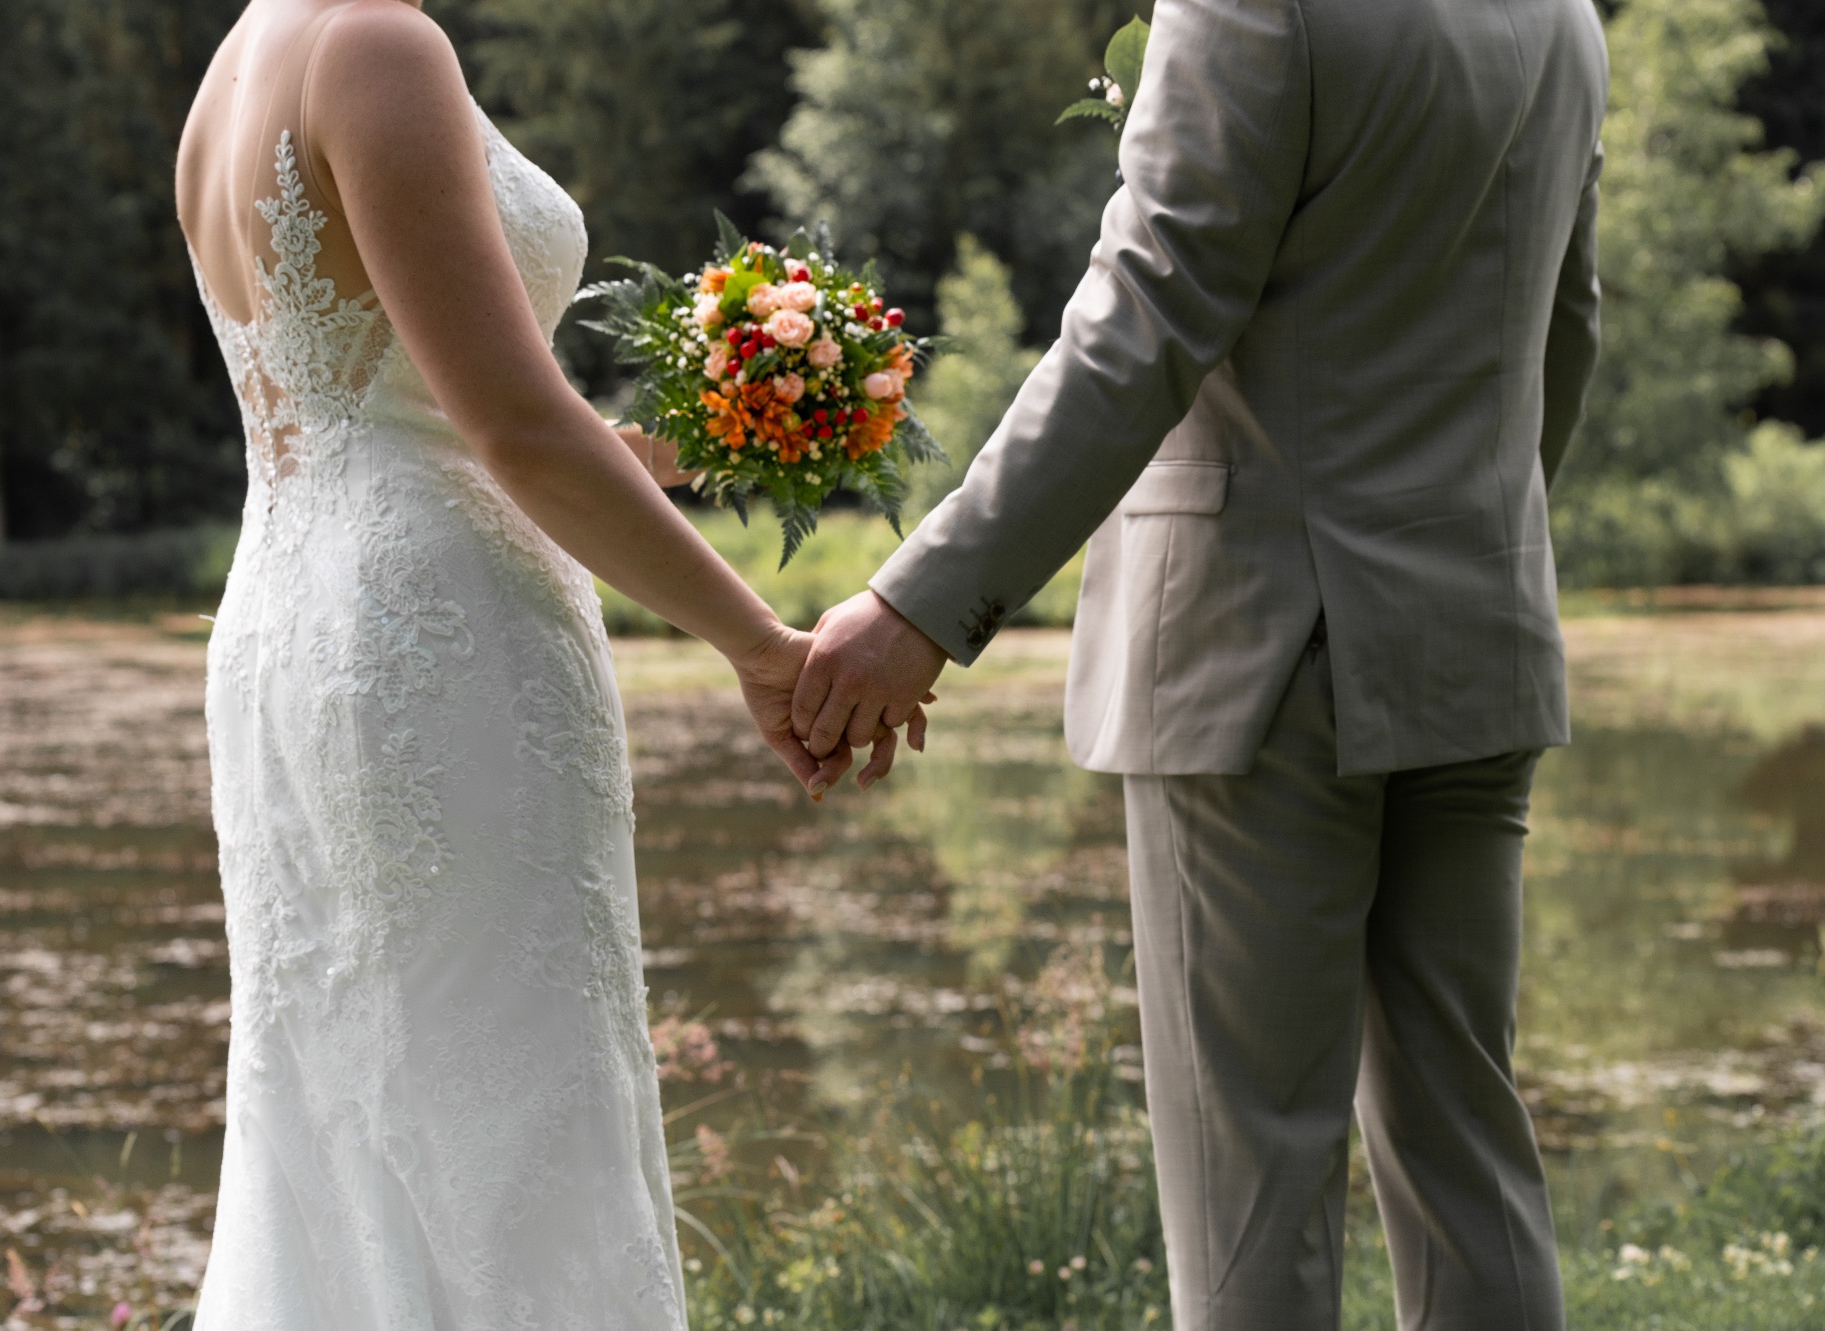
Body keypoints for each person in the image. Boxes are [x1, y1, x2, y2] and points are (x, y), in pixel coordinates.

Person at [792, 1, 1609, 1327]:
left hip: (1259, 654)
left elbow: (1147, 316)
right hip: (1477, 626)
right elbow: (1566, 325)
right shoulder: (1562, 12)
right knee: (1471, 1155)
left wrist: (923, 600)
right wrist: (1466, 555)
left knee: (1252, 1190)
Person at [171, 1, 894, 1324]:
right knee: (505, 1106)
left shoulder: (236, 65)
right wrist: (762, 643)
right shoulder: (379, 45)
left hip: (292, 624)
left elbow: (431, 419)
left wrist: (731, 429)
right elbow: (511, 430)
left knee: (352, 1109)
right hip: (430, 640)